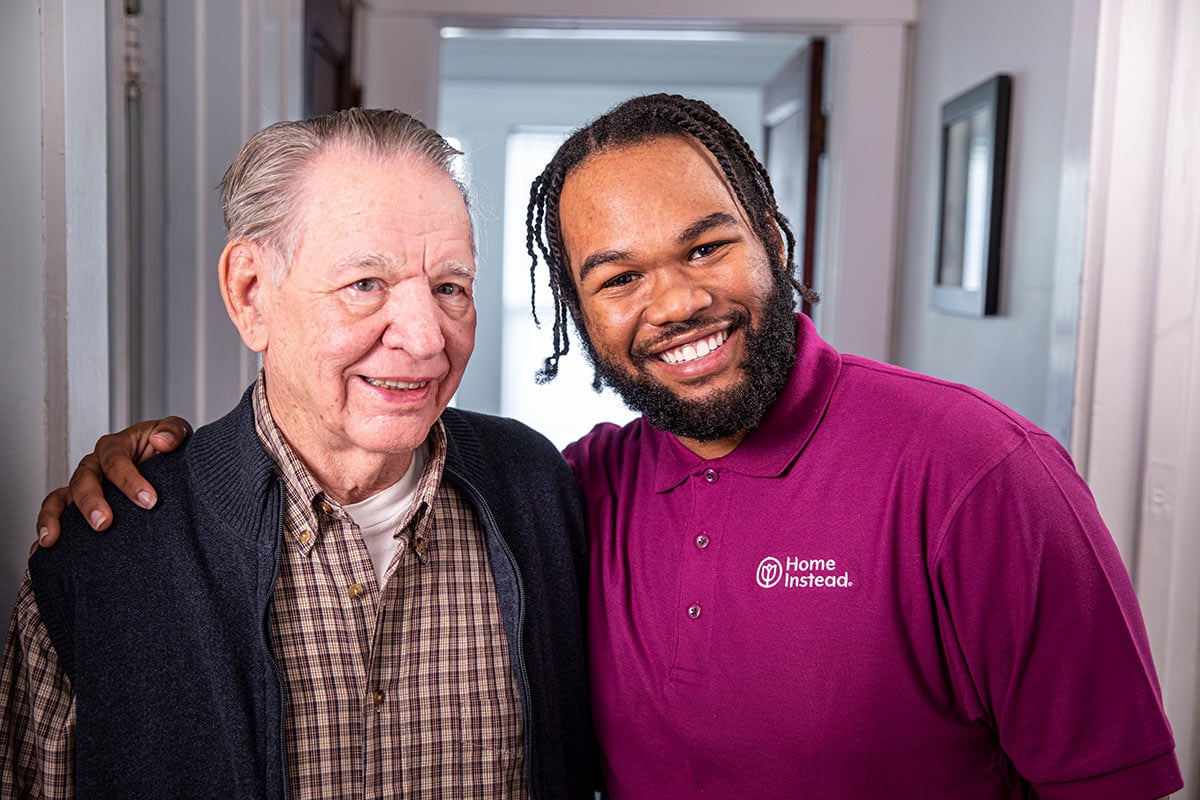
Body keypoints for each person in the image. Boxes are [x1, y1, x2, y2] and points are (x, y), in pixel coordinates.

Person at [33, 95, 1182, 799]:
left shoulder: (980, 471)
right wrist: (153, 480)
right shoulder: (583, 486)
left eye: (449, 285)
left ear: (774, 239)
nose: (675, 301)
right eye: (617, 276)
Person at [2, 108, 593, 799]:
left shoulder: (538, 493)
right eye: (365, 284)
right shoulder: (106, 554)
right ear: (251, 294)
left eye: (449, 288)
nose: (427, 339)